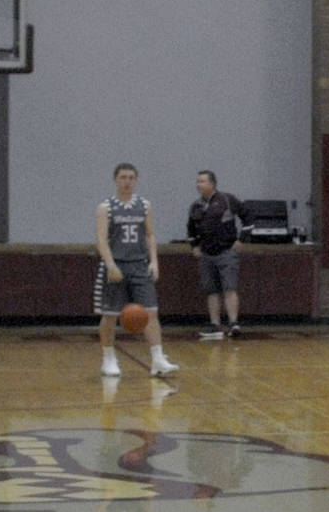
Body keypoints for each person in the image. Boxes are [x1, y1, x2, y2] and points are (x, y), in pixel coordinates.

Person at [96, 163, 178, 380]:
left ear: (136, 180)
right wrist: (111, 265)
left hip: (139, 264)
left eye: (131, 177)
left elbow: (150, 235)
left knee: (151, 312)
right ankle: (108, 358)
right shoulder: (106, 207)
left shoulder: (144, 205)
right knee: (111, 315)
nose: (127, 181)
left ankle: (158, 359)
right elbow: (101, 239)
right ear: (116, 180)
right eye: (123, 177)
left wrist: (154, 262)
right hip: (116, 265)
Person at [188, 170, 243, 339]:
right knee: (210, 290)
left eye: (202, 181)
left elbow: (248, 216)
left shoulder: (227, 200)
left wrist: (242, 239)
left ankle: (233, 323)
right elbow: (190, 229)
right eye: (198, 181)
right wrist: (194, 246)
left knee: (229, 287)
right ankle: (215, 324)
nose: (199, 184)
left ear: (212, 183)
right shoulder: (195, 206)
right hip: (206, 254)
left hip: (226, 251)